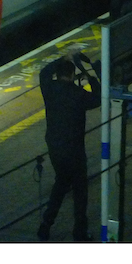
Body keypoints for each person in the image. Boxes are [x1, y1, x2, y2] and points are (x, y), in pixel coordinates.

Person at [37, 50, 101, 241]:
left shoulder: (49, 88)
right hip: (75, 151)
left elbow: (43, 73)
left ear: (58, 74)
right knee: (80, 190)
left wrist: (62, 58)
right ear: (73, 75)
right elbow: (98, 97)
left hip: (55, 148)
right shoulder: (78, 94)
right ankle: (80, 232)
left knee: (61, 183)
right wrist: (90, 77)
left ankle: (45, 225)